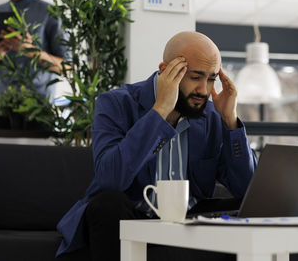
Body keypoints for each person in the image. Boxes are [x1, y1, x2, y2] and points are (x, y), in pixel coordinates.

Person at [56, 31, 257, 260]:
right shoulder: (115, 103)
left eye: (211, 79)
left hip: (188, 219)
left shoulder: (211, 115)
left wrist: (230, 122)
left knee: (249, 208)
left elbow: (248, 190)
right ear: (165, 70)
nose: (204, 90)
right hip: (131, 215)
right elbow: (109, 179)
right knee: (108, 204)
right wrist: (159, 112)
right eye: (195, 77)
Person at [0, 0, 69, 111]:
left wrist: (29, 50)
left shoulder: (50, 12)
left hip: (38, 109)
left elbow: (66, 68)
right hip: (0, 106)